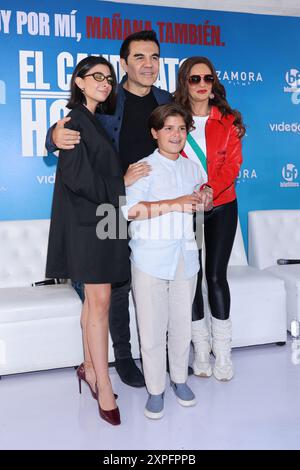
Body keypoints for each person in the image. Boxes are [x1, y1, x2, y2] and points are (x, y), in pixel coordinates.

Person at [45, 30, 172, 388]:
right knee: (113, 287)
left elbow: (187, 127)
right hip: (110, 206)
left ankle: (159, 356)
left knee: (157, 278)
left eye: (154, 57)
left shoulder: (165, 98)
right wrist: (51, 137)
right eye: (139, 58)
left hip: (153, 205)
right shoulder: (107, 99)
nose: (148, 65)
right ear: (124, 63)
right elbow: (70, 128)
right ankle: (123, 358)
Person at [46, 56, 148, 425]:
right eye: (97, 77)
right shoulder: (73, 120)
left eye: (108, 78)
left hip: (105, 221)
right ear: (79, 81)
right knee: (100, 301)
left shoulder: (96, 121)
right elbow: (78, 180)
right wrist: (123, 183)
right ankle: (103, 384)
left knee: (94, 301)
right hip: (89, 223)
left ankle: (90, 368)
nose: (105, 83)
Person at [122, 103, 213, 419]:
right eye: (169, 128)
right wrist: (174, 204)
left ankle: (179, 380)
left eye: (181, 128)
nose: (176, 134)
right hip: (150, 258)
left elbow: (203, 190)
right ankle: (156, 390)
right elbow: (129, 211)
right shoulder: (143, 168)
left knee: (181, 326)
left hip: (185, 257)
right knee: (151, 329)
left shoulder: (191, 167)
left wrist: (205, 195)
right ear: (155, 133)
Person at [174, 56, 245, 382]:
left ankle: (224, 353)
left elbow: (232, 167)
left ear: (214, 82)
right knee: (191, 276)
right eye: (194, 79)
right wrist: (192, 194)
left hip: (222, 205)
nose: (202, 85)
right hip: (187, 207)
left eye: (207, 78)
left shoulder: (229, 121)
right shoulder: (174, 120)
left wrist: (210, 190)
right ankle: (200, 350)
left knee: (215, 277)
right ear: (184, 83)